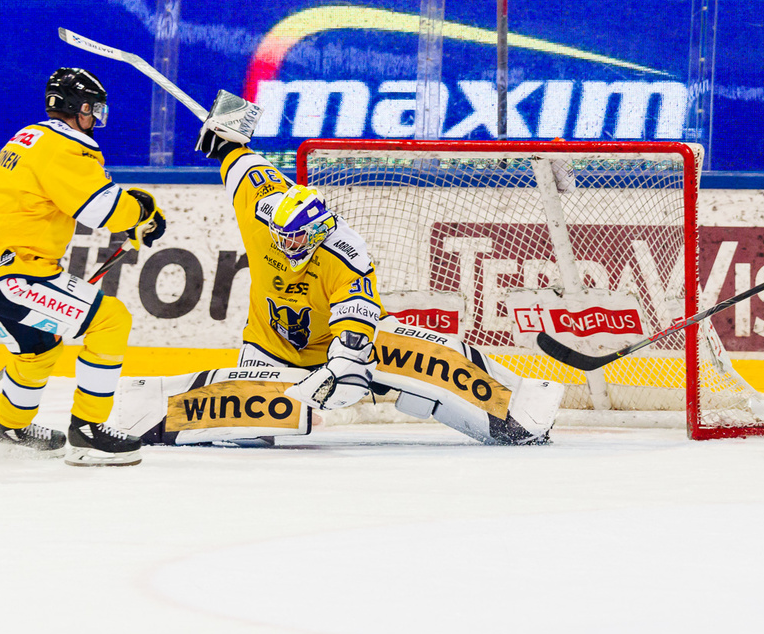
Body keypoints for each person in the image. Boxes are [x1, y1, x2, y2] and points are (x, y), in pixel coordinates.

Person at [109, 93, 563, 447]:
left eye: (297, 240)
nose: (287, 247)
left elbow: (355, 329)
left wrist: (342, 367)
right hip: (267, 350)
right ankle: (149, 404)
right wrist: (227, 130)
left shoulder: (347, 256)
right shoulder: (262, 208)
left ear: (319, 232)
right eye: (280, 237)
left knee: (426, 371)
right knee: (260, 426)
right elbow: (243, 160)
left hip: (342, 347)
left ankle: (519, 407)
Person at [0, 68, 168, 465]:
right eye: (93, 110)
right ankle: (88, 433)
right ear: (80, 108)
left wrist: (132, 211)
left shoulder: (29, 140)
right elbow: (104, 210)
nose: (96, 119)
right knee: (110, 321)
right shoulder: (66, 146)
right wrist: (142, 210)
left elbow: (68, 200)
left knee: (37, 347)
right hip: (12, 272)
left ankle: (12, 427)